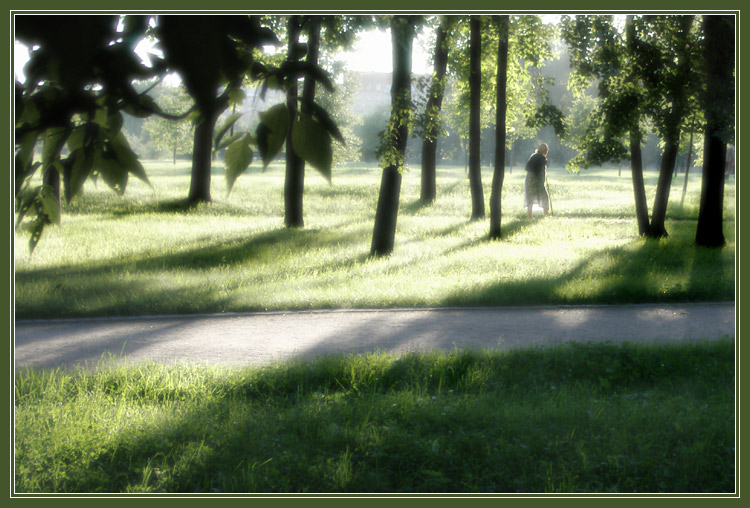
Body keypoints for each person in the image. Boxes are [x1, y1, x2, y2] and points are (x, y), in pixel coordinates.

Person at [524, 143, 550, 218]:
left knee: (530, 197)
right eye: (546, 151)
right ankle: (546, 215)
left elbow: (528, 168)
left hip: (529, 180)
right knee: (544, 197)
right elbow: (540, 169)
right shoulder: (541, 158)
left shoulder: (533, 156)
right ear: (544, 151)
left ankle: (530, 216)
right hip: (536, 180)